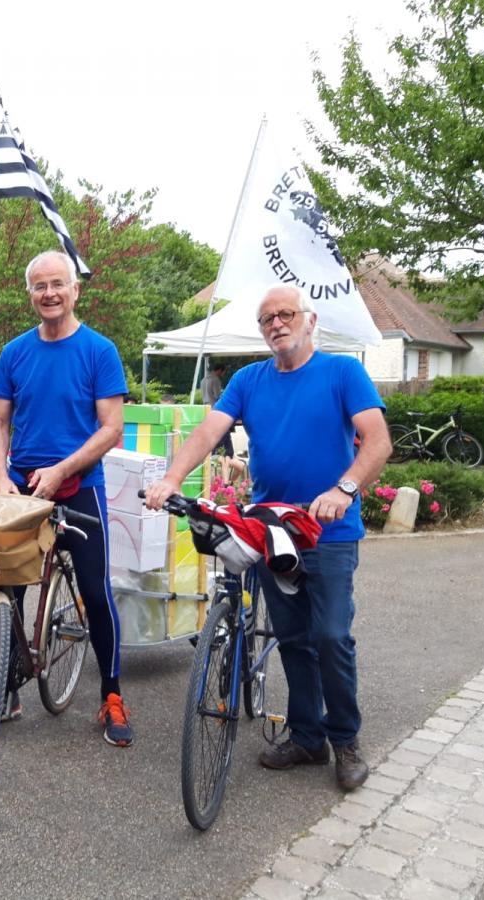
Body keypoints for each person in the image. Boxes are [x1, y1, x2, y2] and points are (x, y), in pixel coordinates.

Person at [144, 283, 391, 792]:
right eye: (267, 319)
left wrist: (344, 489)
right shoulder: (248, 379)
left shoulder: (342, 372)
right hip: (272, 530)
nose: (277, 324)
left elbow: (379, 441)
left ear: (309, 320)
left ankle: (344, 738)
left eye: (285, 314)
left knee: (330, 636)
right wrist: (172, 478)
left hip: (329, 530)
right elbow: (207, 432)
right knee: (294, 639)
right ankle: (306, 737)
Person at [0, 250, 133, 747]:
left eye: (57, 284)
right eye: (39, 286)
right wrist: (1, 475)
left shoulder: (99, 351)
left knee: (95, 594)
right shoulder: (15, 352)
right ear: (29, 293)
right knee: (8, 590)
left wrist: (64, 468)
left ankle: (111, 695)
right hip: (24, 488)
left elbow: (111, 429)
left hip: (79, 488)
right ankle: (9, 684)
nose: (49, 293)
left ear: (75, 290)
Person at [201, 362, 235, 458]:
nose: (223, 375)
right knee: (222, 436)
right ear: (220, 370)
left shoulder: (204, 379)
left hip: (205, 409)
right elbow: (218, 396)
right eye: (224, 372)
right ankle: (226, 456)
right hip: (215, 410)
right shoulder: (215, 380)